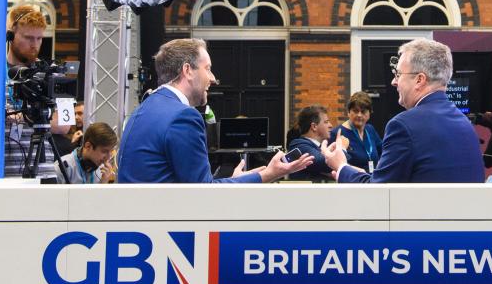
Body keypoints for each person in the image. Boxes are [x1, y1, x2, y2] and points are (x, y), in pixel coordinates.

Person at [118, 39, 312, 184]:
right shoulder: (183, 116)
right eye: (208, 68)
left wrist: (234, 179)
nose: (213, 78)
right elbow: (203, 193)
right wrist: (267, 175)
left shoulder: (143, 108)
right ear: (188, 70)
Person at [320, 38, 483, 183]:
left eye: (398, 74)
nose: (393, 82)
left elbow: (378, 194)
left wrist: (340, 166)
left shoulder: (403, 125)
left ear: (419, 80)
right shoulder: (465, 123)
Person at [4, 4, 59, 178]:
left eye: (39, 38)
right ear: (11, 36)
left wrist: (26, 115)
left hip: (43, 170)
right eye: (28, 37)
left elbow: (64, 125)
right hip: (2, 170)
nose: (35, 45)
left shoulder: (52, 72)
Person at [330, 91, 383, 172]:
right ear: (348, 112)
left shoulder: (370, 129)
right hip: (351, 181)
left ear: (369, 113)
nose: (359, 115)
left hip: (372, 180)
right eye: (355, 111)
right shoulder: (337, 133)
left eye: (363, 111)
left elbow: (382, 151)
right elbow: (332, 164)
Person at [287, 105, 336, 181]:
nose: (331, 125)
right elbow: (325, 163)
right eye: (326, 122)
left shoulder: (320, 147)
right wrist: (342, 147)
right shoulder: (299, 145)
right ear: (314, 126)